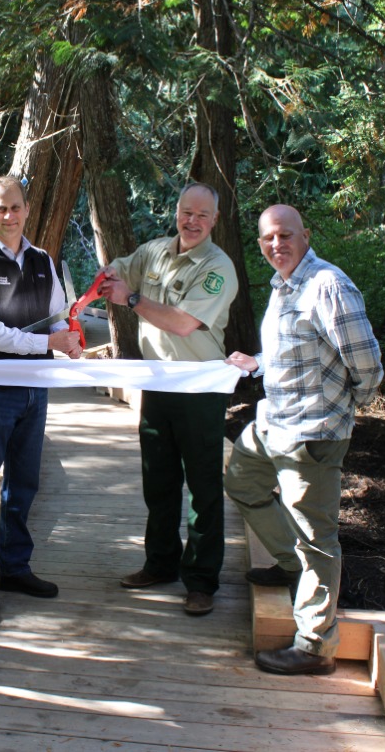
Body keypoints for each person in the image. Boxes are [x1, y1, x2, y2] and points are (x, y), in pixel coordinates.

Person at [224, 203, 383, 675]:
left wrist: (345, 409)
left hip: (312, 434)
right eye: (269, 238)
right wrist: (256, 361)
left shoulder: (326, 285)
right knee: (243, 482)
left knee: (317, 539)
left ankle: (315, 646)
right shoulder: (282, 285)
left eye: (286, 235)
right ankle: (291, 566)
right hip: (273, 423)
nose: (278, 244)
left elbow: (367, 365)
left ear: (305, 236)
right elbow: (293, 349)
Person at [98, 182, 239, 617]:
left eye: (202, 215)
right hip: (157, 385)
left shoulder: (218, 267)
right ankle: (160, 563)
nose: (192, 221)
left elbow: (182, 323)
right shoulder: (155, 251)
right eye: (186, 212)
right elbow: (120, 269)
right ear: (176, 212)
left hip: (199, 389)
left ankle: (201, 581)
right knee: (158, 481)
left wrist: (133, 298)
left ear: (214, 221)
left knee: (203, 488)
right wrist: (110, 278)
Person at [0, 176, 83, 614]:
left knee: (24, 484)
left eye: (15, 208)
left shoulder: (44, 260)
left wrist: (68, 339)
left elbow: (57, 319)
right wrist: (48, 344)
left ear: (27, 209)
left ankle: (14, 567)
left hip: (35, 391)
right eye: (0, 209)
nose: (9, 216)